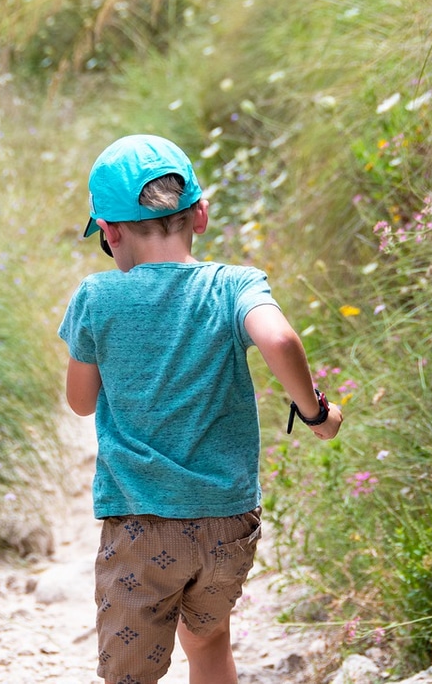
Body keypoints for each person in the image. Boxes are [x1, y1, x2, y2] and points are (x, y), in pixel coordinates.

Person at [57, 134, 343, 684]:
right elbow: (279, 340)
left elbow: (80, 402)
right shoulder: (233, 285)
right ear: (202, 214)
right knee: (209, 640)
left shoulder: (96, 297)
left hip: (142, 525)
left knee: (128, 674)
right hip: (227, 523)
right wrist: (316, 415)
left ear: (109, 232)